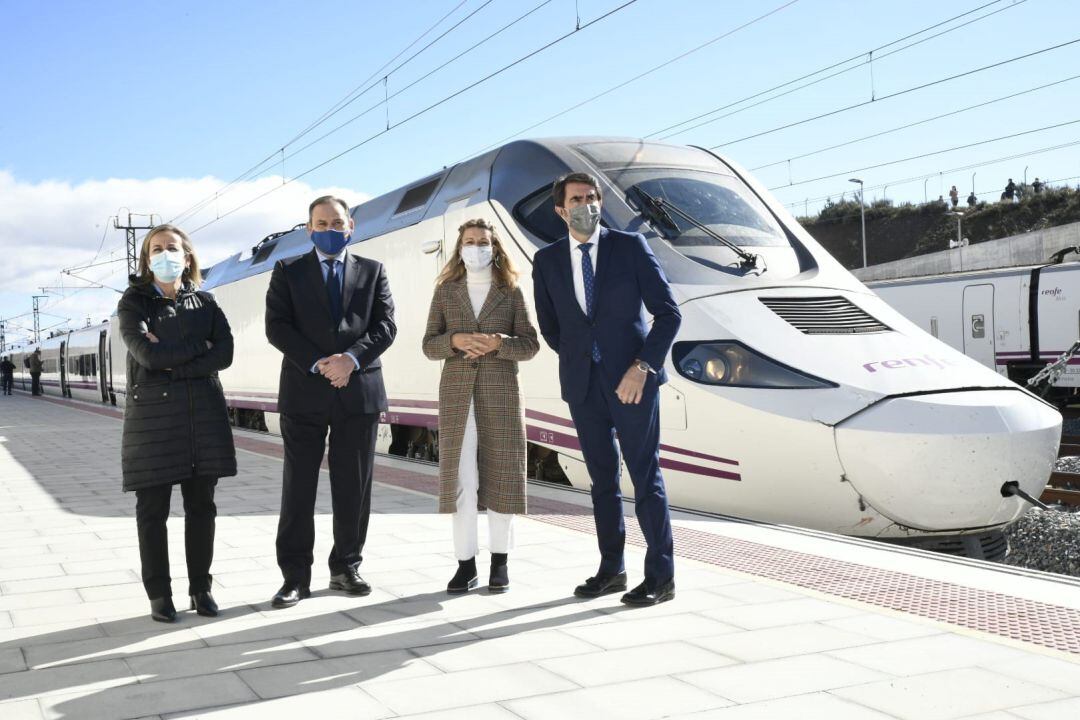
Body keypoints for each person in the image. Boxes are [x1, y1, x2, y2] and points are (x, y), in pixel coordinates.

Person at [532, 172, 682, 606]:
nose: (588, 204)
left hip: (633, 383)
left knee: (645, 476)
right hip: (583, 386)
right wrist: (585, 360)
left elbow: (668, 314)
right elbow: (552, 328)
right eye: (578, 198)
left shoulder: (629, 247)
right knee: (601, 481)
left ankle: (660, 576)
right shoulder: (547, 260)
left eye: (593, 196)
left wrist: (641, 367)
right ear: (561, 209)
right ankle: (611, 568)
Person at [265, 195, 396, 608]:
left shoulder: (373, 271)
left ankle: (346, 567)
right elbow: (277, 327)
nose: (330, 229)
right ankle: (294, 577)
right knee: (298, 487)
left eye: (337, 222)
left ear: (351, 226)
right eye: (321, 223)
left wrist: (351, 360)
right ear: (309, 228)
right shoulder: (287, 270)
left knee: (354, 486)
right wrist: (322, 364)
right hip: (305, 392)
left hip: (358, 393)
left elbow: (386, 325)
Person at [117, 224, 236, 623]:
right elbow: (147, 358)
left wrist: (172, 357)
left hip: (202, 417)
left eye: (173, 248)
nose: (165, 254)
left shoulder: (206, 302)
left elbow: (225, 353)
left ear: (187, 257)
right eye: (157, 249)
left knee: (202, 507)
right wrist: (196, 350)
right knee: (152, 510)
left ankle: (201, 588)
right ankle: (159, 595)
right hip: (152, 421)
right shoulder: (133, 304)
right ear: (146, 259)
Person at [422, 218, 539, 594]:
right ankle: (465, 563)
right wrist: (454, 339)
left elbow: (530, 345)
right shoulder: (445, 291)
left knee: (502, 477)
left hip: (501, 394)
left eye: (483, 242)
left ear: (495, 247)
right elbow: (428, 345)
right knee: (462, 483)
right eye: (470, 242)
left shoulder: (511, 290)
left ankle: (500, 562)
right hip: (457, 397)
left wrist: (499, 343)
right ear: (460, 249)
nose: (476, 248)